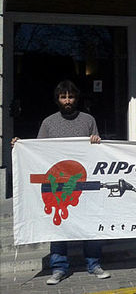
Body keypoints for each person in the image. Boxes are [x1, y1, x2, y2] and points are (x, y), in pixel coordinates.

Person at [11, 80, 109, 285]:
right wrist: (21, 145)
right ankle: (59, 268)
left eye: (70, 96)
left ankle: (94, 264)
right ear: (57, 99)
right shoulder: (48, 123)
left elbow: (98, 152)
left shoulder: (88, 120)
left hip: (82, 184)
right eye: (63, 97)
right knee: (57, 227)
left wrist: (96, 141)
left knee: (89, 224)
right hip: (57, 185)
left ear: (76, 98)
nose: (67, 100)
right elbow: (37, 151)